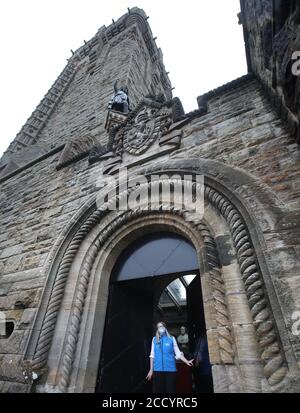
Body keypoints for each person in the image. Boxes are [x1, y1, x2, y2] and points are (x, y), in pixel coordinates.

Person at [146, 322, 194, 393]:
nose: (161, 328)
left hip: (170, 370)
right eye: (159, 327)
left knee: (170, 390)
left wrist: (187, 361)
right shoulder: (154, 340)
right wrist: (151, 370)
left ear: (165, 327)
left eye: (162, 326)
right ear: (157, 329)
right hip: (158, 370)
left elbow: (178, 353)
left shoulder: (171, 339)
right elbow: (152, 355)